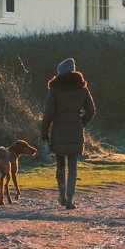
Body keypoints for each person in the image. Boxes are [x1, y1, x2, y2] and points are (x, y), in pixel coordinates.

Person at [40, 57, 96, 210]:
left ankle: (62, 195)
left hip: (58, 131)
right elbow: (91, 111)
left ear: (59, 73)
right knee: (73, 166)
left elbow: (48, 114)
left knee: (60, 165)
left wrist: (44, 134)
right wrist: (81, 123)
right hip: (76, 131)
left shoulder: (55, 90)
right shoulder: (82, 89)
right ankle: (70, 199)